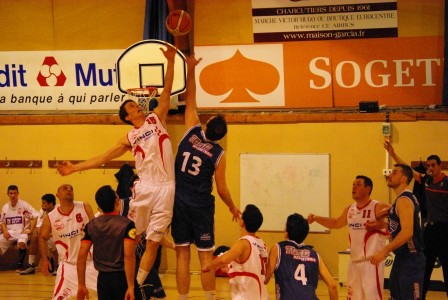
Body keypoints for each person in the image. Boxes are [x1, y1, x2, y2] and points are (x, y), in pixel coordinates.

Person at [57, 43, 177, 288]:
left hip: (168, 187)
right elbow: (102, 158)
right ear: (128, 117)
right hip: (146, 188)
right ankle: (114, 273)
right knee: (131, 235)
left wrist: (172, 61)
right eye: (131, 107)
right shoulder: (129, 137)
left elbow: (166, 91)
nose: (136, 106)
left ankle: (137, 285)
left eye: (135, 104)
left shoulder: (156, 118)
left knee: (154, 241)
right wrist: (75, 168)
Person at [172, 54, 241, 300]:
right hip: (201, 207)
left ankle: (182, 298)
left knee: (182, 254)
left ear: (207, 124)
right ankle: (210, 298)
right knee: (205, 255)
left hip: (178, 202)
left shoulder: (191, 131)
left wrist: (191, 69)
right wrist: (233, 207)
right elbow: (221, 188)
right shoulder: (219, 153)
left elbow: (191, 99)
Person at [308, 175, 390, 300]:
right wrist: (316, 218)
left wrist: (381, 225)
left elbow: (400, 220)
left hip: (372, 263)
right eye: (353, 184)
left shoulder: (377, 206)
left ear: (368, 189)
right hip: (354, 262)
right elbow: (336, 223)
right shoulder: (350, 209)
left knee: (372, 297)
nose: (354, 187)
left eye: (358, 184)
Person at [384, 141, 448, 299]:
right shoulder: (426, 181)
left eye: (433, 165)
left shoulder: (447, 183)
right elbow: (409, 171)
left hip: (446, 231)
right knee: (425, 270)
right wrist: (393, 154)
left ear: (440, 166)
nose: (430, 168)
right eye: (428, 165)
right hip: (430, 231)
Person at [370, 164, 425, 299]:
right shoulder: (399, 201)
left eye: (394, 172)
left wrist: (384, 251)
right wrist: (382, 224)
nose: (389, 175)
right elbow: (399, 227)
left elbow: (407, 232)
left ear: (403, 178)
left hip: (412, 259)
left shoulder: (404, 200)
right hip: (402, 258)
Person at [39, 184, 98, 299]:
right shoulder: (51, 217)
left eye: (71, 188)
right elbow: (42, 237)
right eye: (65, 188)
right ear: (57, 195)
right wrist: (45, 259)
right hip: (68, 266)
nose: (69, 189)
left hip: (89, 264)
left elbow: (97, 232)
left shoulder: (84, 207)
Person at [77, 185, 136, 300]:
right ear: (116, 201)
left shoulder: (91, 226)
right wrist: (131, 286)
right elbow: (129, 255)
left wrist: (81, 284)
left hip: (102, 280)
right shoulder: (127, 225)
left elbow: (81, 256)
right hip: (122, 278)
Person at [202, 204, 269, 300]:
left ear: (242, 222)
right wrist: (229, 268)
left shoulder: (243, 243)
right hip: (263, 296)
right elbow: (250, 267)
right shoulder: (262, 244)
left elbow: (223, 259)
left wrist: (207, 267)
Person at [265, 213, 338, 300]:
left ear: (287, 231)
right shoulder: (315, 254)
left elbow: (265, 279)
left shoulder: (278, 248)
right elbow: (333, 286)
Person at [0, 185, 38, 272]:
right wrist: (5, 231)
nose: (13, 195)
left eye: (15, 193)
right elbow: (2, 222)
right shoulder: (5, 207)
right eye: (11, 193)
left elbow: (36, 216)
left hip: (22, 232)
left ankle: (20, 264)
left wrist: (31, 230)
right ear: (8, 194)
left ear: (18, 194)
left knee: (21, 242)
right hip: (9, 233)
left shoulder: (24, 205)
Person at [20, 193, 57, 275]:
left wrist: (48, 234)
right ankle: (31, 265)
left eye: (44, 203)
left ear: (51, 204)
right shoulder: (42, 211)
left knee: (54, 241)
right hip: (47, 235)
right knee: (35, 237)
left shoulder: (58, 211)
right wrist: (34, 232)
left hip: (57, 235)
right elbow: (39, 227)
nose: (42, 205)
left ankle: (57, 266)